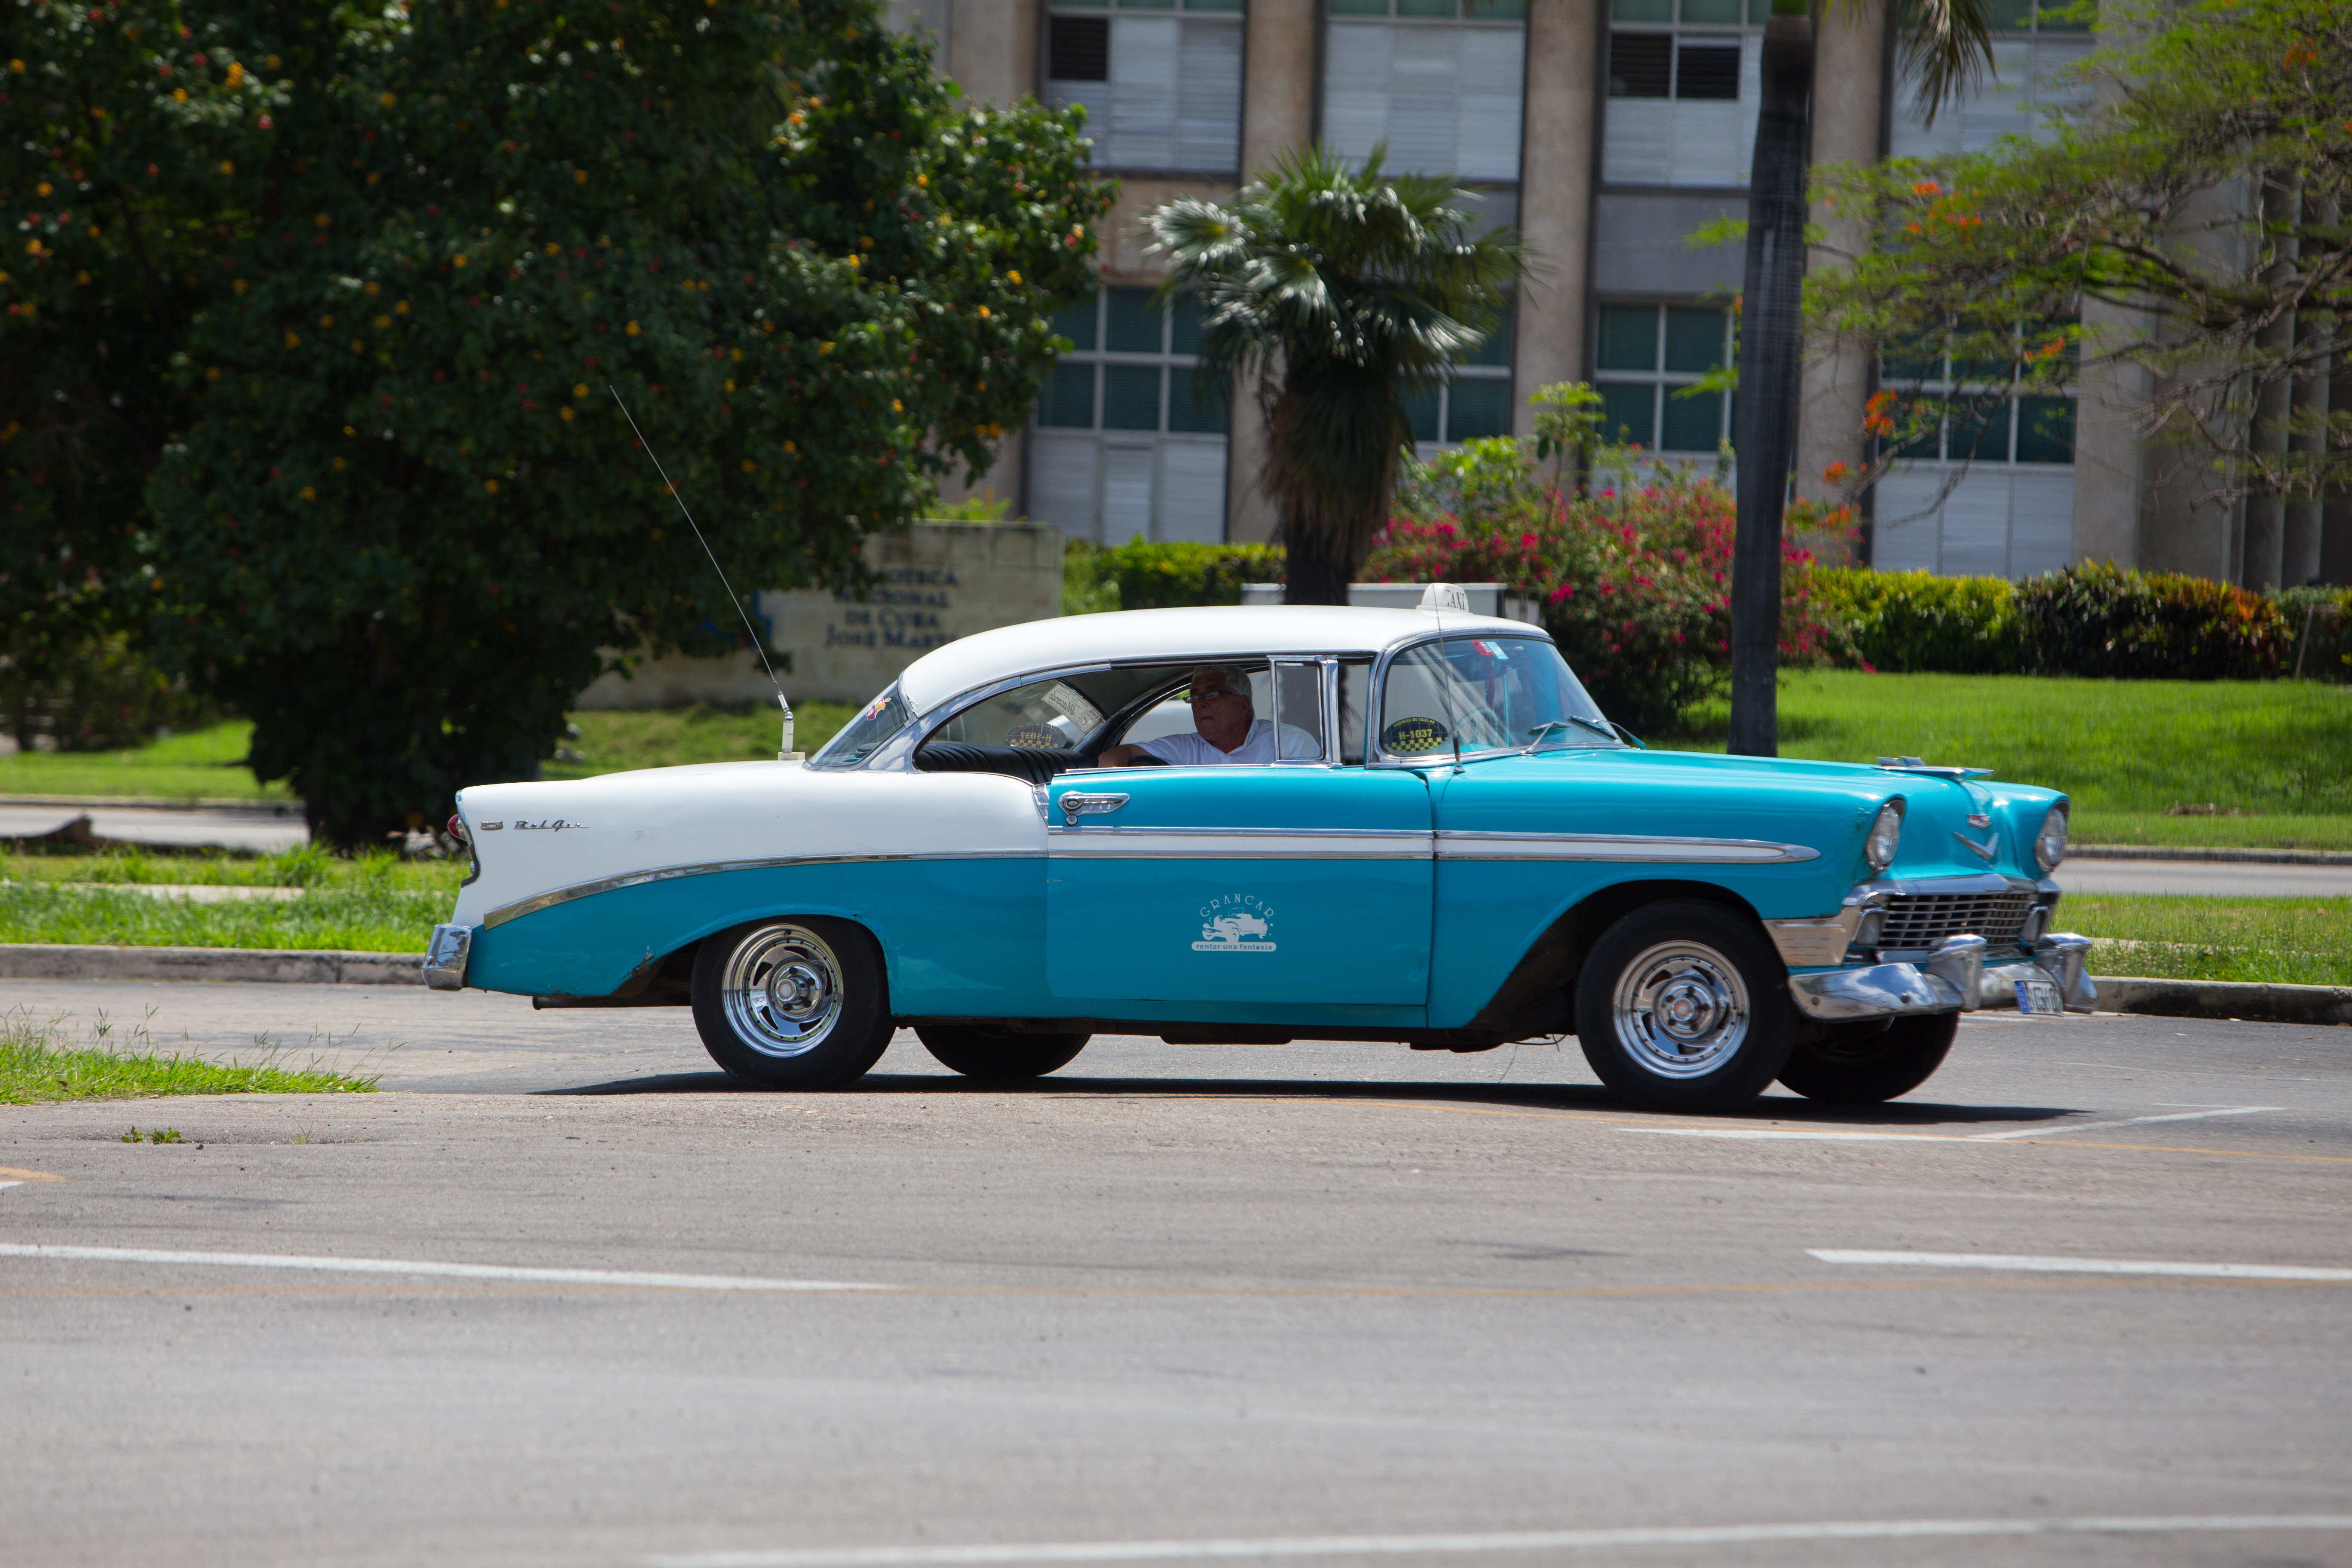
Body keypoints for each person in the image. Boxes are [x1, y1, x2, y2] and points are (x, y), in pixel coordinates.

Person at [1098, 664, 1320, 766]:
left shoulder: (1290, 745)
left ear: (1243, 705)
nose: (1200, 704)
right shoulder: (1185, 749)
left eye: (1212, 694)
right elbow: (1113, 756)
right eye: (1194, 697)